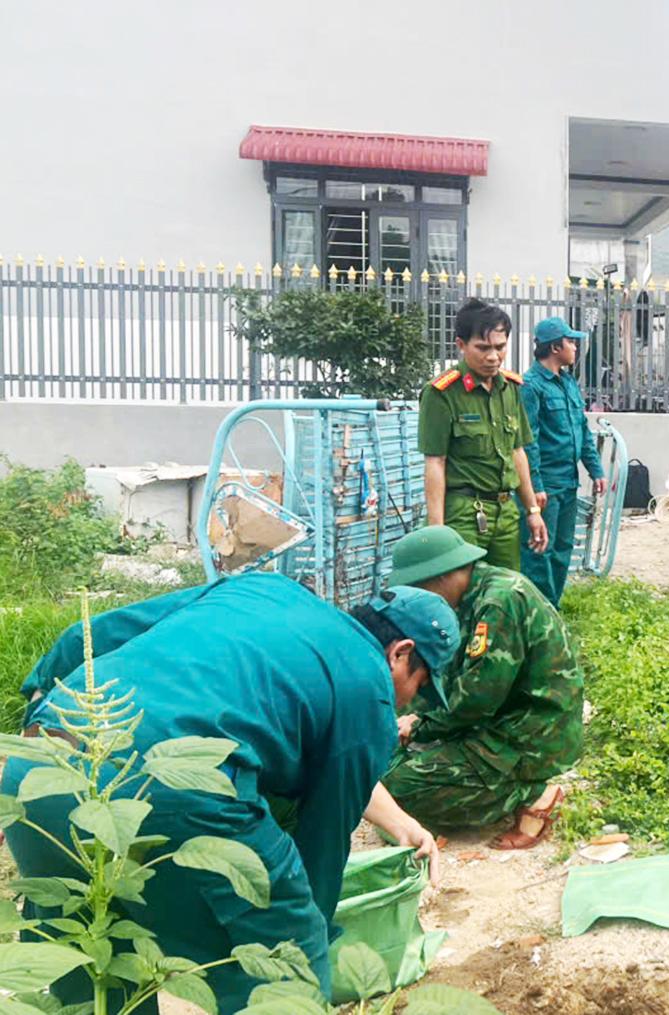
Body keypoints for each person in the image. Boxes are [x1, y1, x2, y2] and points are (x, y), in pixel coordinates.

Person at [3, 574, 460, 1012]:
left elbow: (86, 636)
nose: (408, 703)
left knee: (87, 950)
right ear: (401, 653)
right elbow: (324, 837)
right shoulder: (370, 687)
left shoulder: (262, 590)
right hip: (169, 781)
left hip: (42, 761)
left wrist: (36, 721)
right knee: (286, 960)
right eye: (420, 687)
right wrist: (307, 935)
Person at [382, 525, 584, 848]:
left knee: (398, 787)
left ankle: (530, 794)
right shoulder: (471, 595)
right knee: (385, 761)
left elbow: (478, 698)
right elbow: (451, 675)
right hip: (502, 718)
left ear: (441, 576)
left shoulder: (499, 602)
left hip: (531, 734)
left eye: (418, 588)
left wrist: (419, 727)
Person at [419, 298, 548, 571]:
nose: (493, 357)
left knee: (505, 586)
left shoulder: (510, 388)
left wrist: (532, 510)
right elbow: (435, 462)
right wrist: (437, 529)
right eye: (483, 348)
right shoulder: (441, 393)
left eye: (500, 347)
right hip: (463, 513)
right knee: (461, 586)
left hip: (506, 512)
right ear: (461, 344)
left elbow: (517, 452)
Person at [520, 316, 606, 607]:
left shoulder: (568, 383)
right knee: (539, 550)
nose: (575, 347)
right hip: (546, 485)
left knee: (562, 549)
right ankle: (540, 613)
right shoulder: (531, 386)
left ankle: (552, 608)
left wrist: (595, 469)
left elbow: (581, 429)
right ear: (555, 347)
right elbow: (528, 442)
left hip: (569, 482)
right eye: (571, 342)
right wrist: (536, 486)